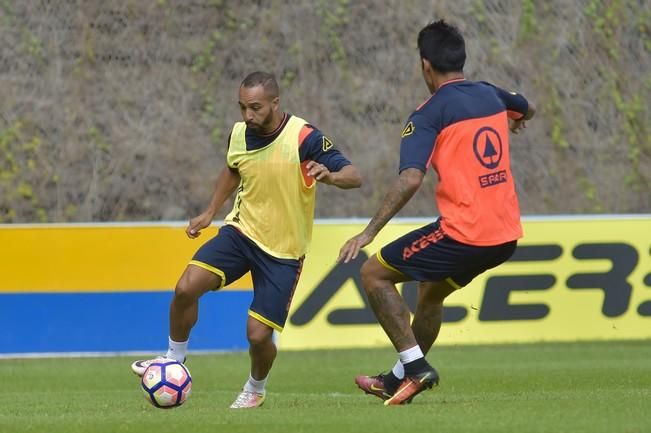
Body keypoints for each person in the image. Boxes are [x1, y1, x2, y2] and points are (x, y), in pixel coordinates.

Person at [132, 71, 362, 409]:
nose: (247, 116)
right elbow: (232, 169)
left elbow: (354, 176)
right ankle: (174, 359)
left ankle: (255, 388)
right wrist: (210, 212)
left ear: (275, 103)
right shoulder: (240, 134)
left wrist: (331, 176)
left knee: (257, 335)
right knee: (185, 288)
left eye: (255, 108)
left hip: (283, 252)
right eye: (242, 107)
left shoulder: (303, 136)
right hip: (241, 233)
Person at [338, 19, 536, 406]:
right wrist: (517, 121)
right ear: (461, 59)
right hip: (505, 235)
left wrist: (369, 233)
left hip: (466, 231)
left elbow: (411, 179)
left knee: (374, 274)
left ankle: (415, 367)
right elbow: (527, 106)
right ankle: (397, 380)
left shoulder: (428, 114)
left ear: (425, 66)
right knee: (429, 295)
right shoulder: (491, 94)